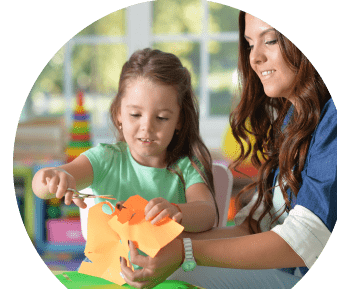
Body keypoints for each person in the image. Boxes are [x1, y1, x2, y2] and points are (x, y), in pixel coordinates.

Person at [120, 12, 337, 289]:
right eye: (250, 44)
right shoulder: (294, 119)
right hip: (290, 275)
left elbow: (301, 241)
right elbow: (257, 226)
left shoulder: (336, 120)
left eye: (270, 40)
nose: (255, 58)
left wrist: (185, 250)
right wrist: (160, 245)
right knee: (164, 281)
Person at [32, 48, 217, 233]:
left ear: (179, 120)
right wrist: (55, 179)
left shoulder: (186, 166)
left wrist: (176, 211)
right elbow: (40, 186)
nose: (147, 127)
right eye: (135, 114)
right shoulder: (104, 159)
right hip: (108, 262)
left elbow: (207, 214)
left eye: (161, 118)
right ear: (119, 113)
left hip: (171, 262)